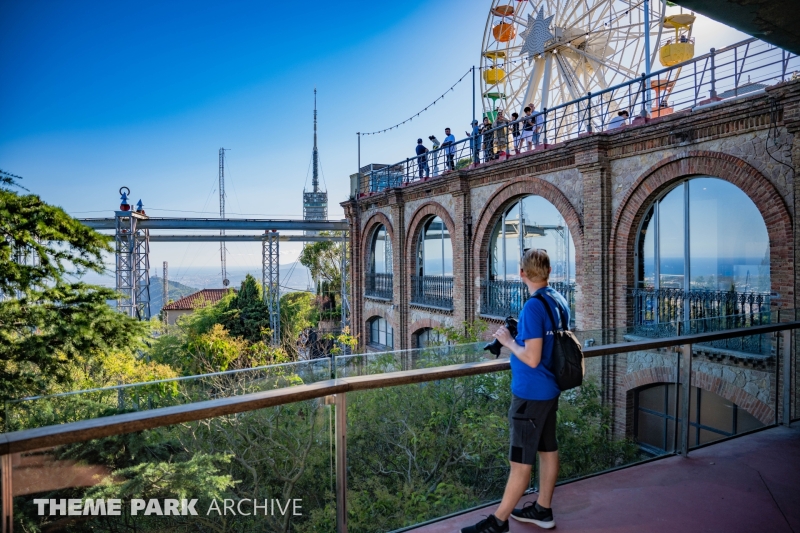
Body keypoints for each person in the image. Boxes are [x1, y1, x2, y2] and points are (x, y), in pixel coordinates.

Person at [461, 249, 568, 533]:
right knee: (547, 449)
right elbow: (545, 342)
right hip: (549, 390)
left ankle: (497, 523)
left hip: (531, 395)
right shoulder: (556, 299)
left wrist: (508, 341)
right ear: (548, 271)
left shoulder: (533, 306)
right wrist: (520, 332)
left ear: (522, 273)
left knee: (520, 462)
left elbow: (532, 358)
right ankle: (542, 509)